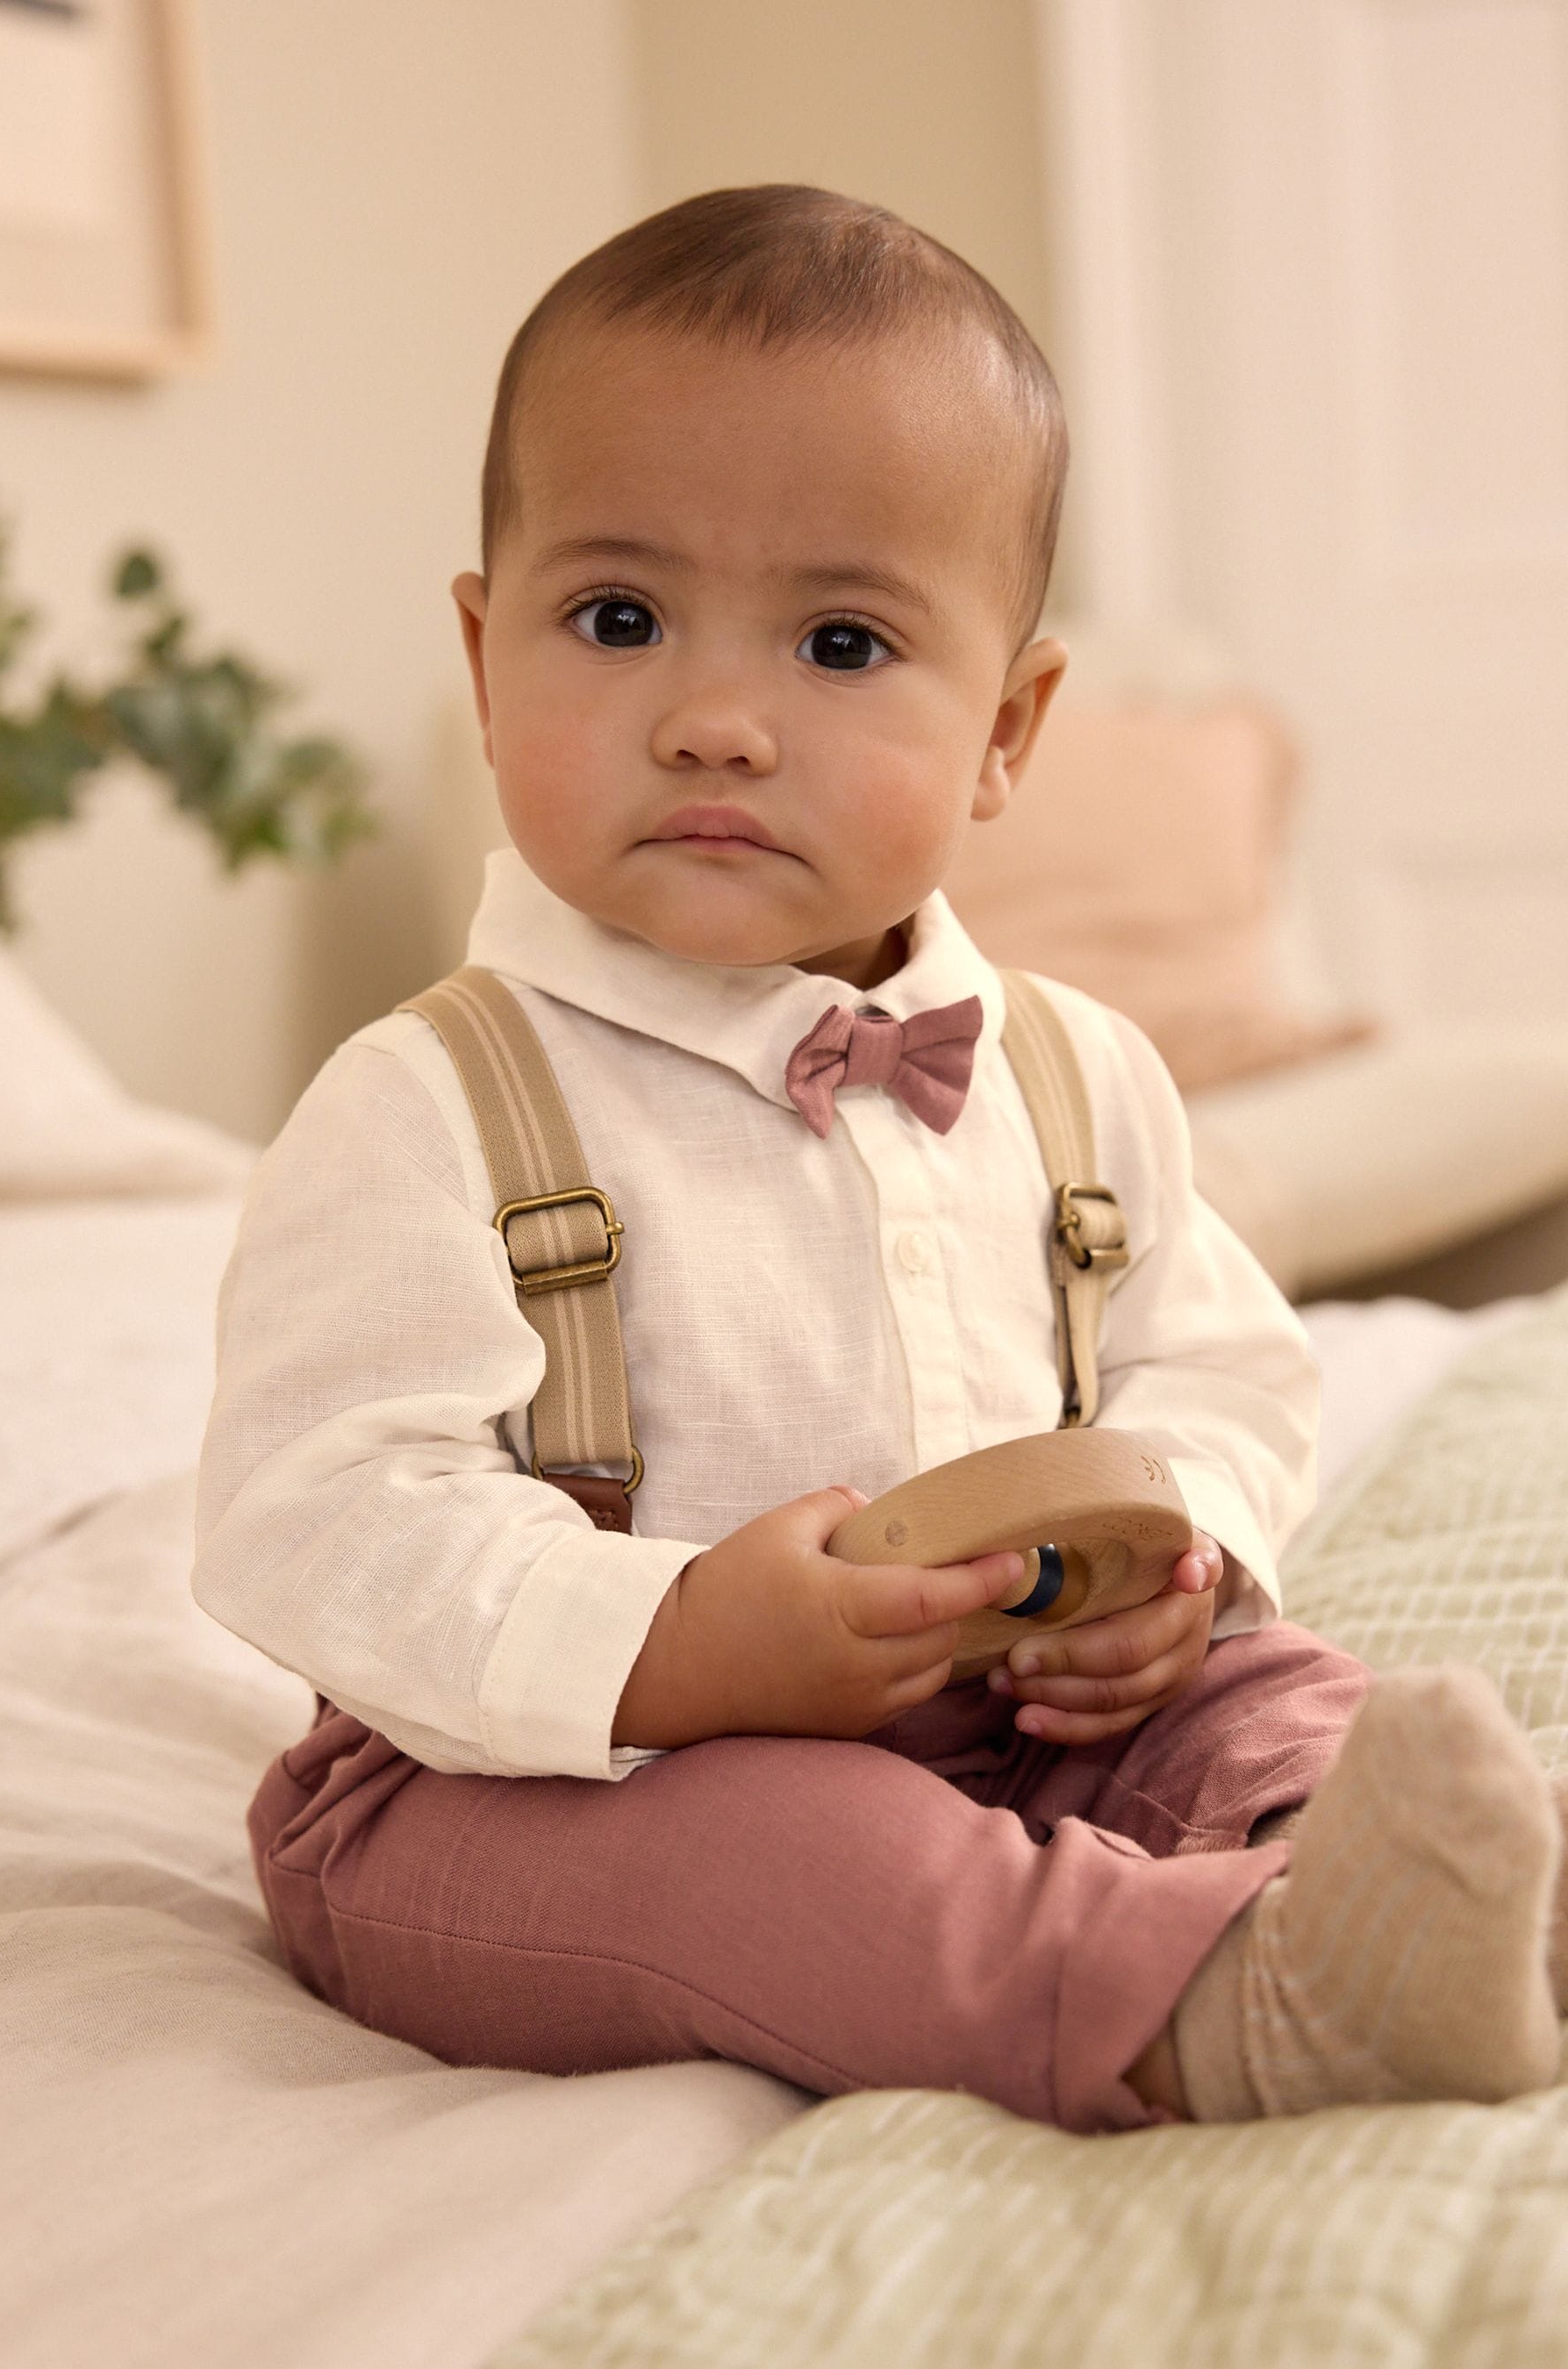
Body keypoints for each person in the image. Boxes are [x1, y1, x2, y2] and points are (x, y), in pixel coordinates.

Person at [193, 185, 1563, 2133]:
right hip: (526, 1784)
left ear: (1006, 730)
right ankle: (1229, 2008)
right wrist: (669, 1648)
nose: (721, 719)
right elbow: (314, 1512)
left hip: (1020, 1724)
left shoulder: (1073, 1071)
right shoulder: (435, 1101)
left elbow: (1224, 1367)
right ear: (487, 660)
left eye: (841, 641)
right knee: (782, 1841)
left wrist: (1174, 1568)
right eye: (618, 619)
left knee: (1275, 1698)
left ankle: (1461, 1909)